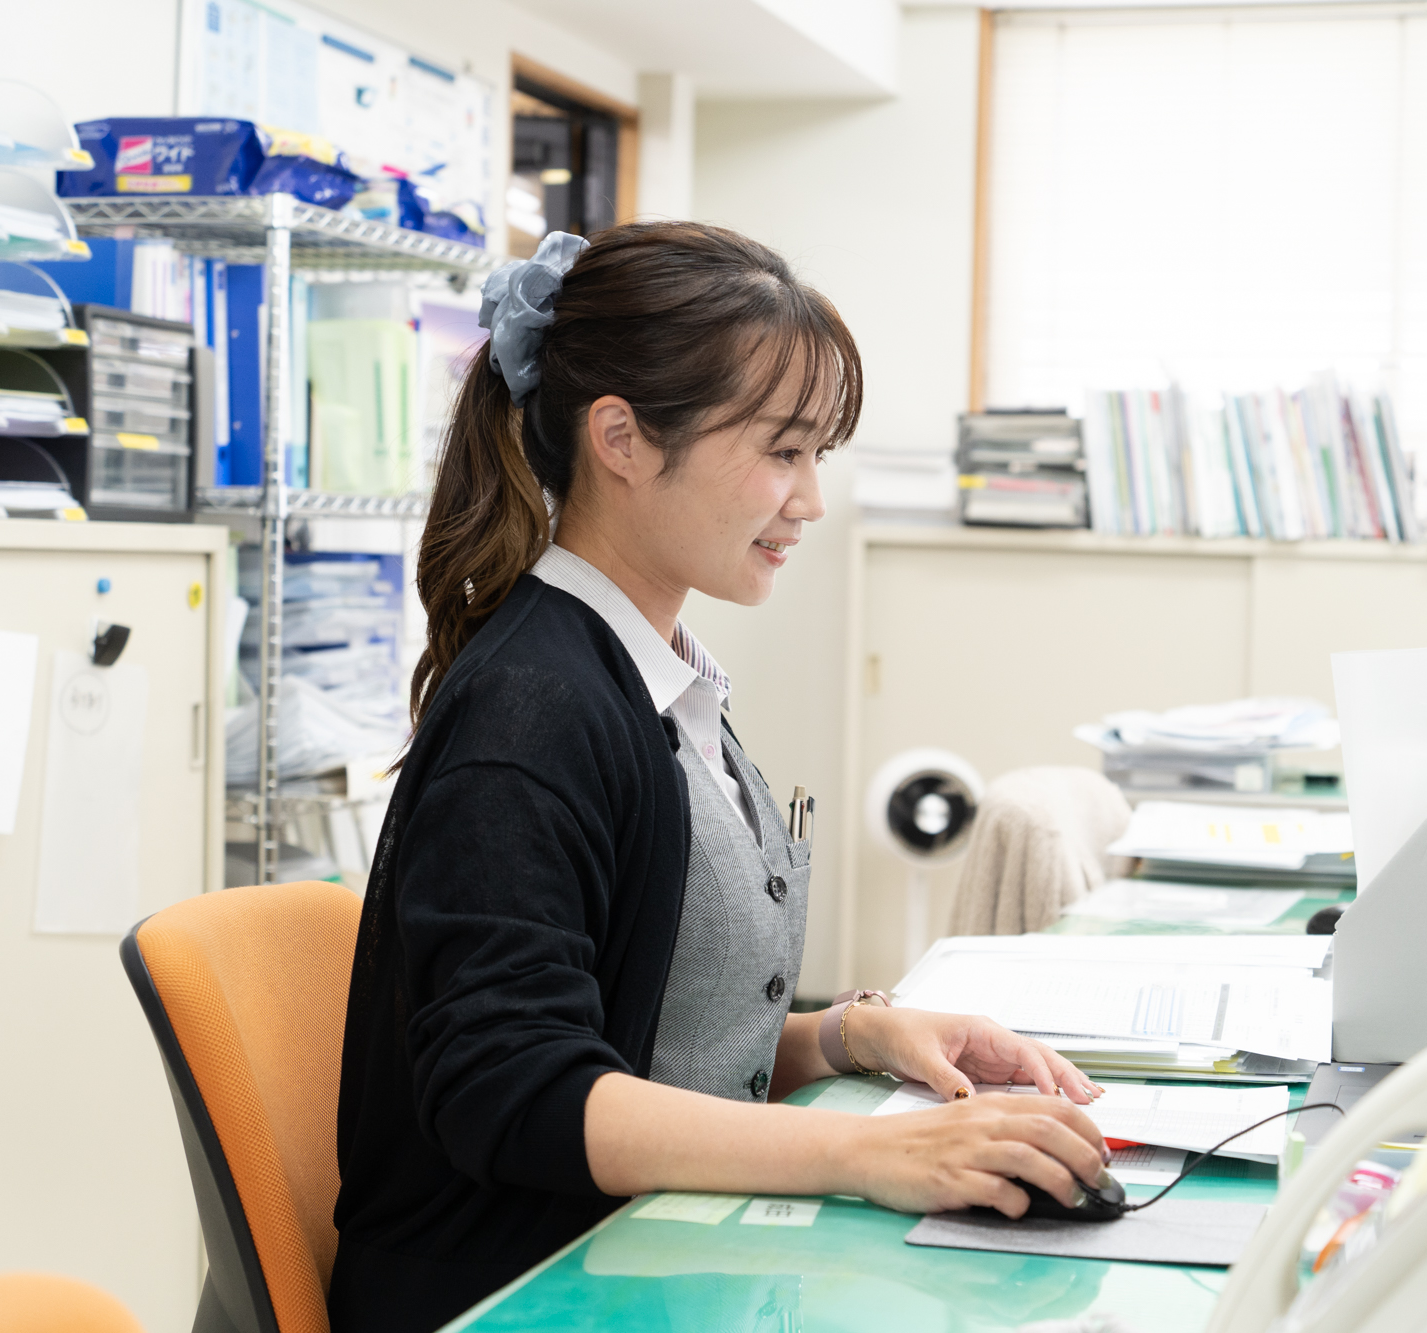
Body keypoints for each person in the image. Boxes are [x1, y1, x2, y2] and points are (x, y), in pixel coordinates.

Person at [327, 222, 1110, 1333]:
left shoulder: (648, 678)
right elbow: (516, 1092)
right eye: (780, 452)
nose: (809, 501)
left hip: (636, 1257)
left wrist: (848, 1037)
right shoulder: (533, 708)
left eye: (816, 457)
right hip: (513, 1295)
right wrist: (866, 1148)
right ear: (622, 439)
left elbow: (643, 1034)